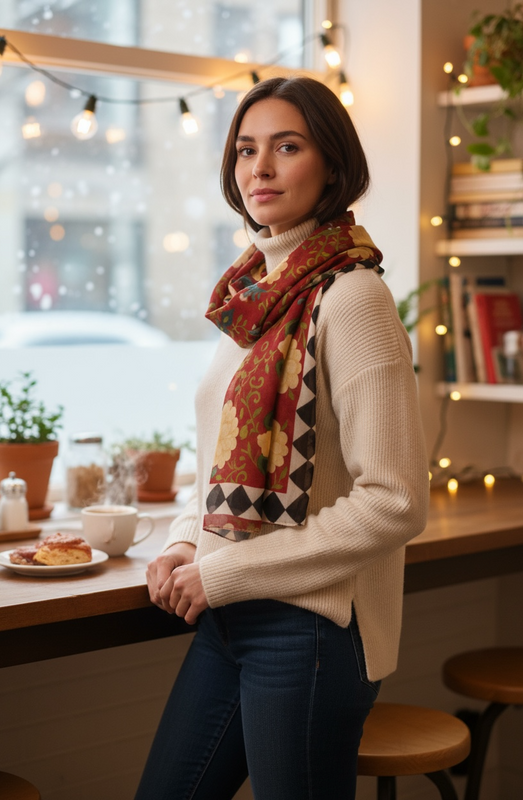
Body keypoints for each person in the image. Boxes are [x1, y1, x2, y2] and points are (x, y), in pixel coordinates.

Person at [135, 76, 429, 800]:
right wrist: (182, 540)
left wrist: (219, 573)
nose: (257, 168)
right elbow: (214, 464)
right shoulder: (254, 297)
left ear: (331, 163)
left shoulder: (352, 297)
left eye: (285, 147)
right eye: (245, 150)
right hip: (228, 615)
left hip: (309, 632)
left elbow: (394, 502)